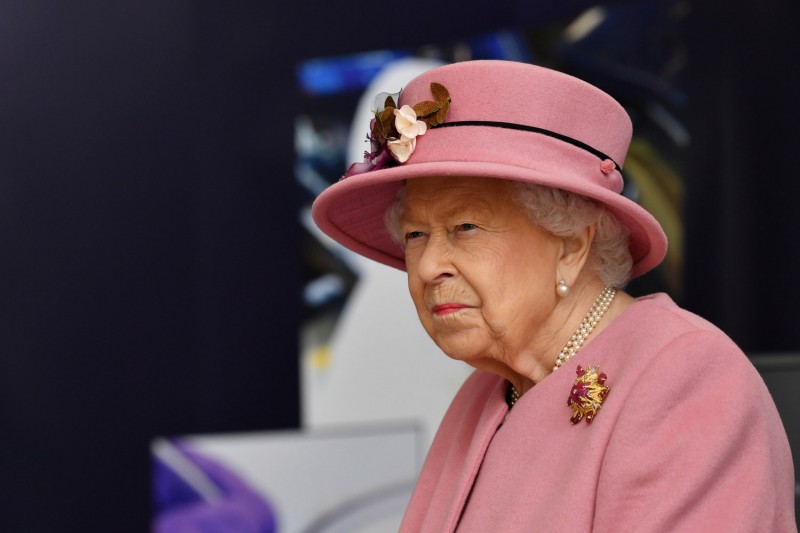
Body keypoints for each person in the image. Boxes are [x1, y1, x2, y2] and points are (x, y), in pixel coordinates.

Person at [311, 60, 796, 532]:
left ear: (571, 246)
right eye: (416, 235)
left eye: (466, 226)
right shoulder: (482, 395)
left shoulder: (684, 380)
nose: (428, 266)